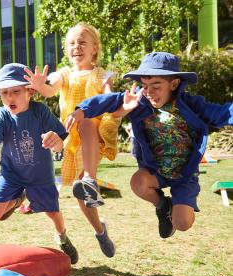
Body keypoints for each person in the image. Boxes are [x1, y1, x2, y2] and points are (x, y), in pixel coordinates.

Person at [65, 51, 233, 238]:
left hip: (183, 174)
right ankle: (162, 205)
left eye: (156, 86)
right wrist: (81, 111)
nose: (149, 92)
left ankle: (176, 213)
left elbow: (222, 112)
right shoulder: (140, 101)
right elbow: (108, 100)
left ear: (174, 83)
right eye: (145, 86)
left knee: (182, 223)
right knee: (137, 182)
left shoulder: (191, 104)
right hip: (155, 171)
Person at [24, 22, 118, 257]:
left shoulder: (102, 75)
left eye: (82, 42)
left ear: (94, 48)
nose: (76, 46)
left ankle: (90, 178)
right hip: (73, 138)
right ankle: (100, 230)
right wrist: (39, 86)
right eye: (72, 43)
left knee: (86, 121)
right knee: (82, 196)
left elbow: (110, 100)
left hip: (96, 133)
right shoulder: (64, 74)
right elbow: (49, 91)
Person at [0, 63, 79, 264]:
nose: (9, 97)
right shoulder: (2, 115)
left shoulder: (40, 111)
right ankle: (18, 199)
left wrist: (55, 140)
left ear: (29, 91)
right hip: (12, 174)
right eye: (4, 93)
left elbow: (59, 144)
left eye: (15, 91)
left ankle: (62, 238)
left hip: (40, 176)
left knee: (53, 213)